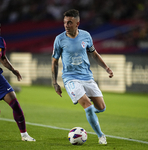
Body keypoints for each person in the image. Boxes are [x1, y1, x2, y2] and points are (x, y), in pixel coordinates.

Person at [51, 9, 113, 144]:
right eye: (65, 22)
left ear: (77, 23)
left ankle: (89, 114)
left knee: (101, 108)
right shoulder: (59, 39)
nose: (66, 25)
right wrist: (55, 82)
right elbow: (55, 61)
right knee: (89, 107)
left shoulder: (86, 36)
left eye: (69, 22)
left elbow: (94, 54)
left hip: (87, 77)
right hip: (70, 78)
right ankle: (101, 136)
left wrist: (107, 68)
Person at [0, 19, 35, 141]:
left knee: (15, 103)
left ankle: (24, 135)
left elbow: (3, 58)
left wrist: (13, 70)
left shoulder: (1, 42)